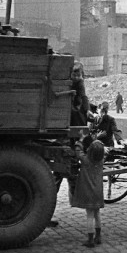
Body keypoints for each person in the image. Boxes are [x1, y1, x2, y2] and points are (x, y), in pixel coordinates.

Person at [50, 62, 90, 227]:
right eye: (75, 73)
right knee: (61, 175)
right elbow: (79, 115)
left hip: (68, 141)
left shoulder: (74, 96)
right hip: (67, 142)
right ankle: (75, 200)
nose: (77, 76)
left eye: (78, 73)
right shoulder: (72, 97)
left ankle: (74, 199)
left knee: (62, 176)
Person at [72, 137, 105, 248]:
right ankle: (98, 236)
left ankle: (90, 239)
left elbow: (78, 152)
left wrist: (80, 141)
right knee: (97, 214)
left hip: (88, 192)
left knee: (89, 215)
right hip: (98, 192)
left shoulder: (85, 160)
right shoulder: (101, 161)